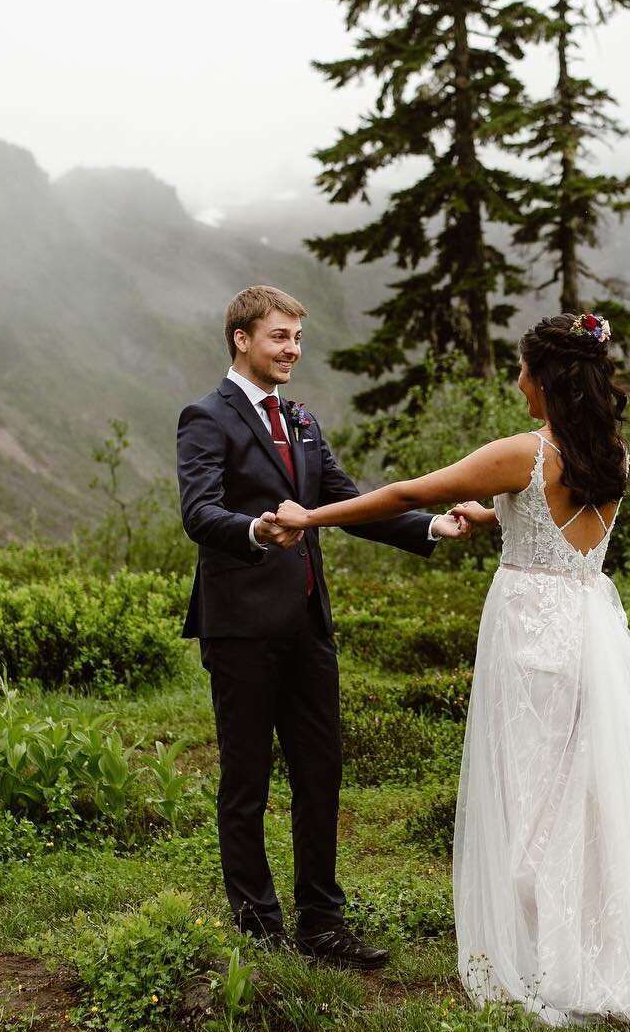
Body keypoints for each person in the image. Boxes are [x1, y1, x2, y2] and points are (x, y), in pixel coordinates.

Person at [272, 312, 630, 1032]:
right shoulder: (612, 456)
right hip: (589, 632)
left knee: (525, 795)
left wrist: (309, 515)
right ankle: (597, 949)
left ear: (547, 381)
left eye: (522, 370)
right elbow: (557, 520)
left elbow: (408, 492)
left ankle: (546, 960)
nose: (517, 381)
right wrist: (494, 509)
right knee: (586, 796)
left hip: (526, 635)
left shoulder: (523, 453)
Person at [176, 285, 470, 969]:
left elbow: (347, 501)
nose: (292, 350)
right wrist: (254, 528)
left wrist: (429, 523)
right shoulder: (205, 418)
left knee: (320, 773)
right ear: (241, 338)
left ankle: (321, 924)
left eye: (298, 339)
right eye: (279, 337)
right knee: (246, 783)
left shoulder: (301, 419)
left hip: (309, 627)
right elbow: (198, 512)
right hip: (241, 628)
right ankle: (258, 927)